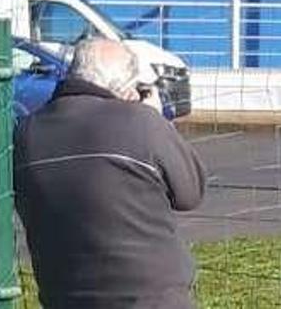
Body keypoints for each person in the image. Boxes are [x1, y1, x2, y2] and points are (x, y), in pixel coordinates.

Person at [14, 38, 207, 308]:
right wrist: (156, 118)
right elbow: (190, 192)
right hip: (152, 299)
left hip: (63, 297)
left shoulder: (27, 132)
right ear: (126, 88)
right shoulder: (142, 123)